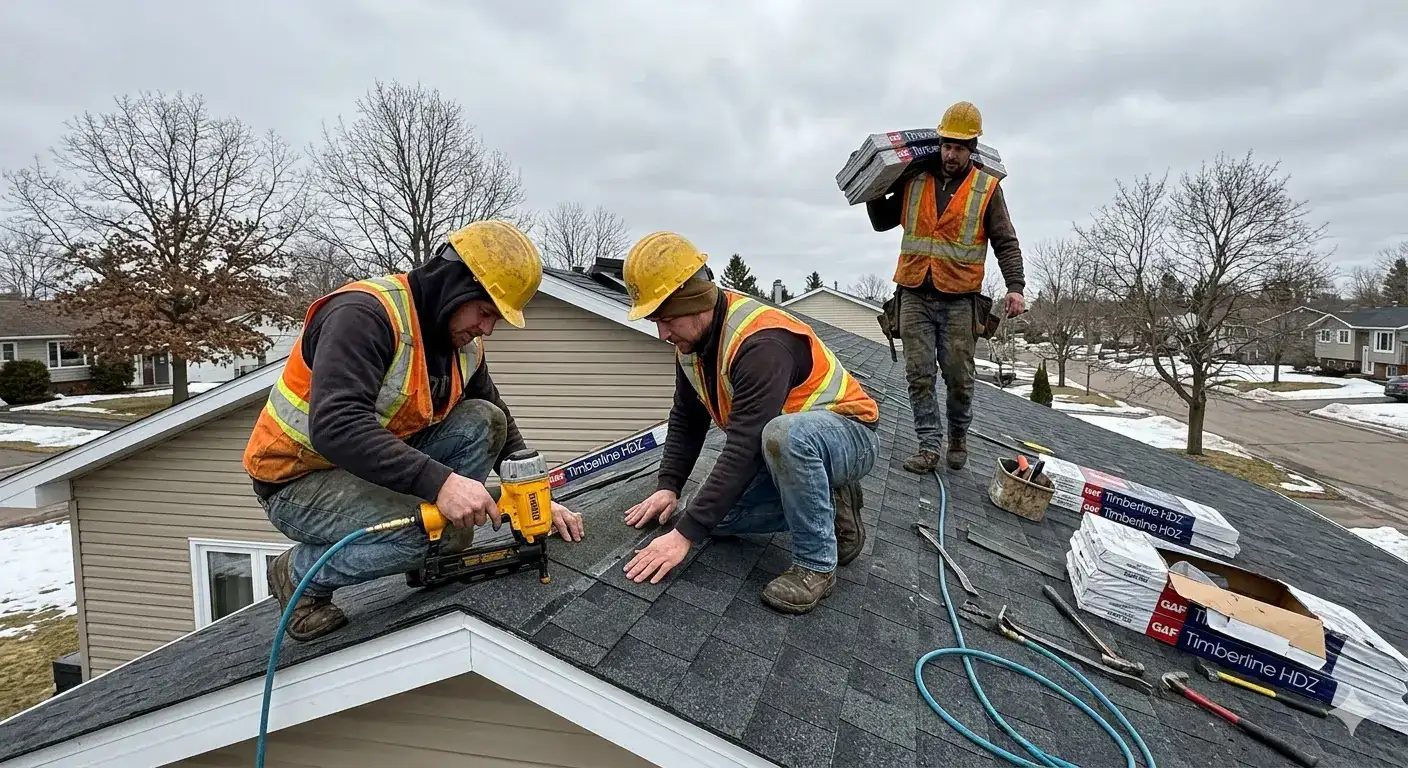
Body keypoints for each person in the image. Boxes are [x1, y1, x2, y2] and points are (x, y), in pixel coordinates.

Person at [243, 220, 585, 641]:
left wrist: (531, 495)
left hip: (370, 469)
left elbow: (497, 417)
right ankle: (298, 575)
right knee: (435, 533)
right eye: (486, 312)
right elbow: (336, 426)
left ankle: (428, 554)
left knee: (484, 419)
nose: (488, 328)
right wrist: (441, 485)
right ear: (455, 286)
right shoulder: (363, 316)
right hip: (296, 483)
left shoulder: (461, 344)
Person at [617, 232, 880, 615]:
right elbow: (687, 419)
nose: (662, 333)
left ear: (696, 303)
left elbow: (745, 446)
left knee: (782, 434)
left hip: (848, 436)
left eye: (667, 319)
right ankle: (832, 502)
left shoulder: (760, 343)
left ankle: (816, 566)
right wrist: (669, 487)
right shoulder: (690, 347)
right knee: (715, 518)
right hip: (785, 449)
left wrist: (683, 537)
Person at [865, 100, 1026, 473]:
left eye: (958, 148)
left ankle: (957, 434)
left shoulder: (986, 189)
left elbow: (1005, 240)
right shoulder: (914, 179)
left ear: (972, 149)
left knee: (959, 377)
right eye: (946, 145)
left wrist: (1015, 286)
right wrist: (874, 185)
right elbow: (881, 221)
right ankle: (928, 446)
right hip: (914, 293)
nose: (950, 154)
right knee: (919, 374)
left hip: (959, 300)